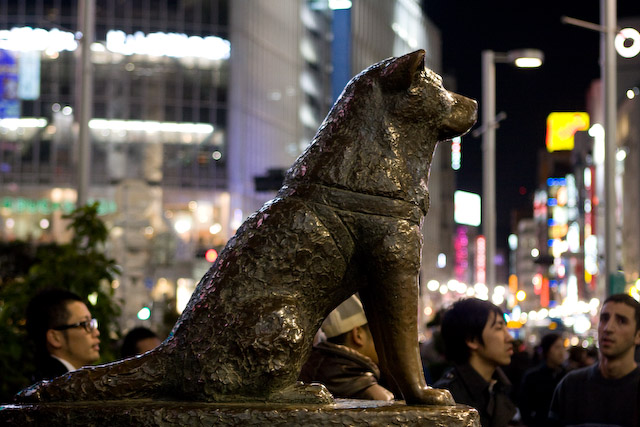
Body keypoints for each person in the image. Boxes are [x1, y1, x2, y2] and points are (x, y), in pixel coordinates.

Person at [549, 294, 640, 426]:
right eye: (604, 319)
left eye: (621, 321)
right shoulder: (570, 386)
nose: (608, 328)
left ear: (638, 336)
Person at [434, 298, 518, 427]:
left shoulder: (500, 388)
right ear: (472, 340)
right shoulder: (446, 400)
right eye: (499, 328)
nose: (510, 337)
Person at [299, 294, 394, 400]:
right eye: (381, 333)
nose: (388, 341)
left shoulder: (306, 370)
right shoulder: (378, 396)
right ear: (358, 334)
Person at [26, 288, 101, 382]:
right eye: (85, 324)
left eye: (92, 323)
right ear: (55, 338)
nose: (96, 333)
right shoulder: (53, 386)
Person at [518, 333, 567, 427]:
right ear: (547, 350)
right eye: (557, 347)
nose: (561, 352)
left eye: (563, 347)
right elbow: (524, 406)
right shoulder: (532, 376)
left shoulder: (567, 376)